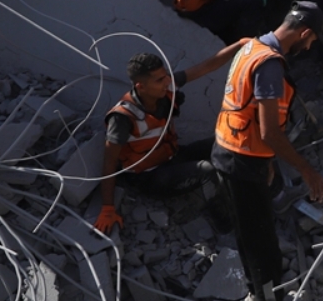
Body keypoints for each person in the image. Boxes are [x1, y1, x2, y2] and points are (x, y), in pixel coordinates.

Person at [212, 1, 323, 301]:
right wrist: (307, 170)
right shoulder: (271, 67)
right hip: (241, 163)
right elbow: (269, 131)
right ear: (304, 33)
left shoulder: (253, 46)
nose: (309, 47)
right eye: (311, 41)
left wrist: (267, 161)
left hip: (229, 151)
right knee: (263, 248)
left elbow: (249, 116)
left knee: (249, 237)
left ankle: (258, 296)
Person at [94, 40, 249, 234]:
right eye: (159, 80)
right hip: (150, 177)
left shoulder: (164, 89)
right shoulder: (123, 118)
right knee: (207, 171)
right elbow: (109, 164)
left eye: (165, 75)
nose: (167, 82)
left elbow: (206, 66)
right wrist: (107, 208)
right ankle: (225, 223)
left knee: (226, 142)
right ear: (141, 86)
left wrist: (239, 45)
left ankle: (261, 190)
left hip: (172, 157)